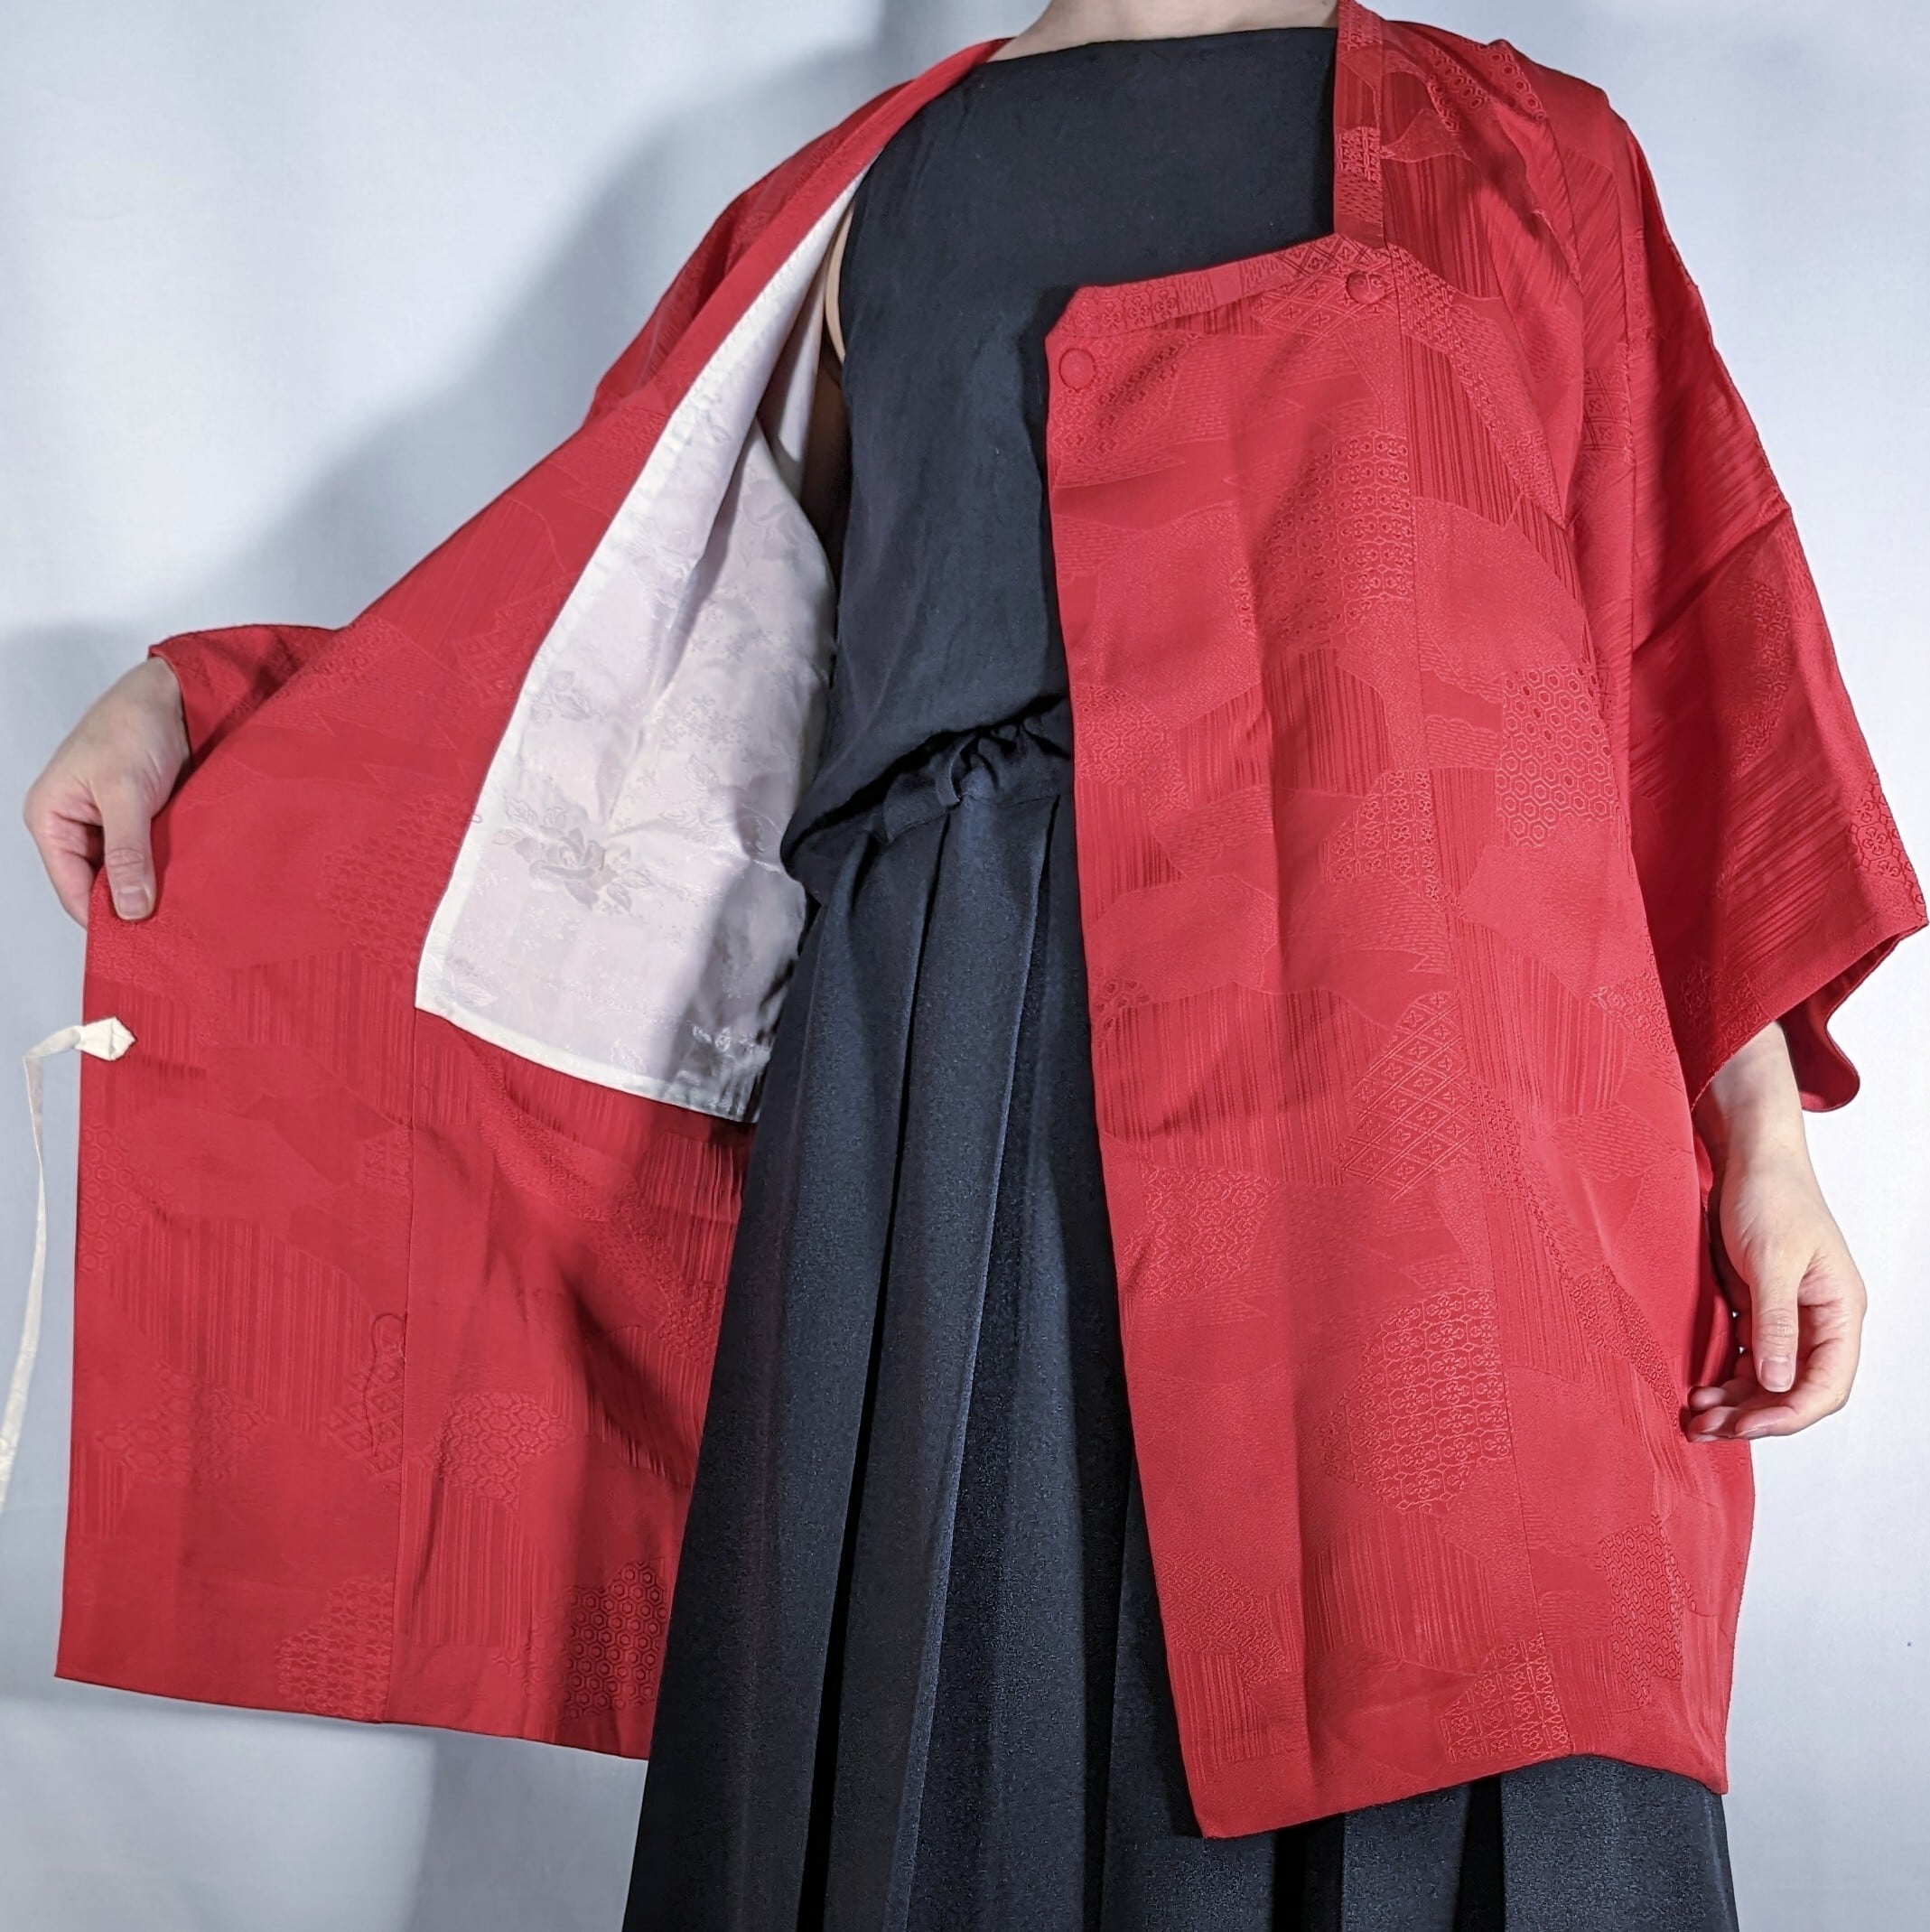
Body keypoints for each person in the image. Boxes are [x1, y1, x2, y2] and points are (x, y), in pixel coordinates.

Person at [23, 1, 1925, 1926]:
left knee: (1460, 1653)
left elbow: (1669, 662)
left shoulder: (1521, 148)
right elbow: (618, 649)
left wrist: (1763, 1143)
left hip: (1428, 1058)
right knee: (962, 1720)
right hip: (954, 1064)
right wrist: (208, 709)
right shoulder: (865, 194)